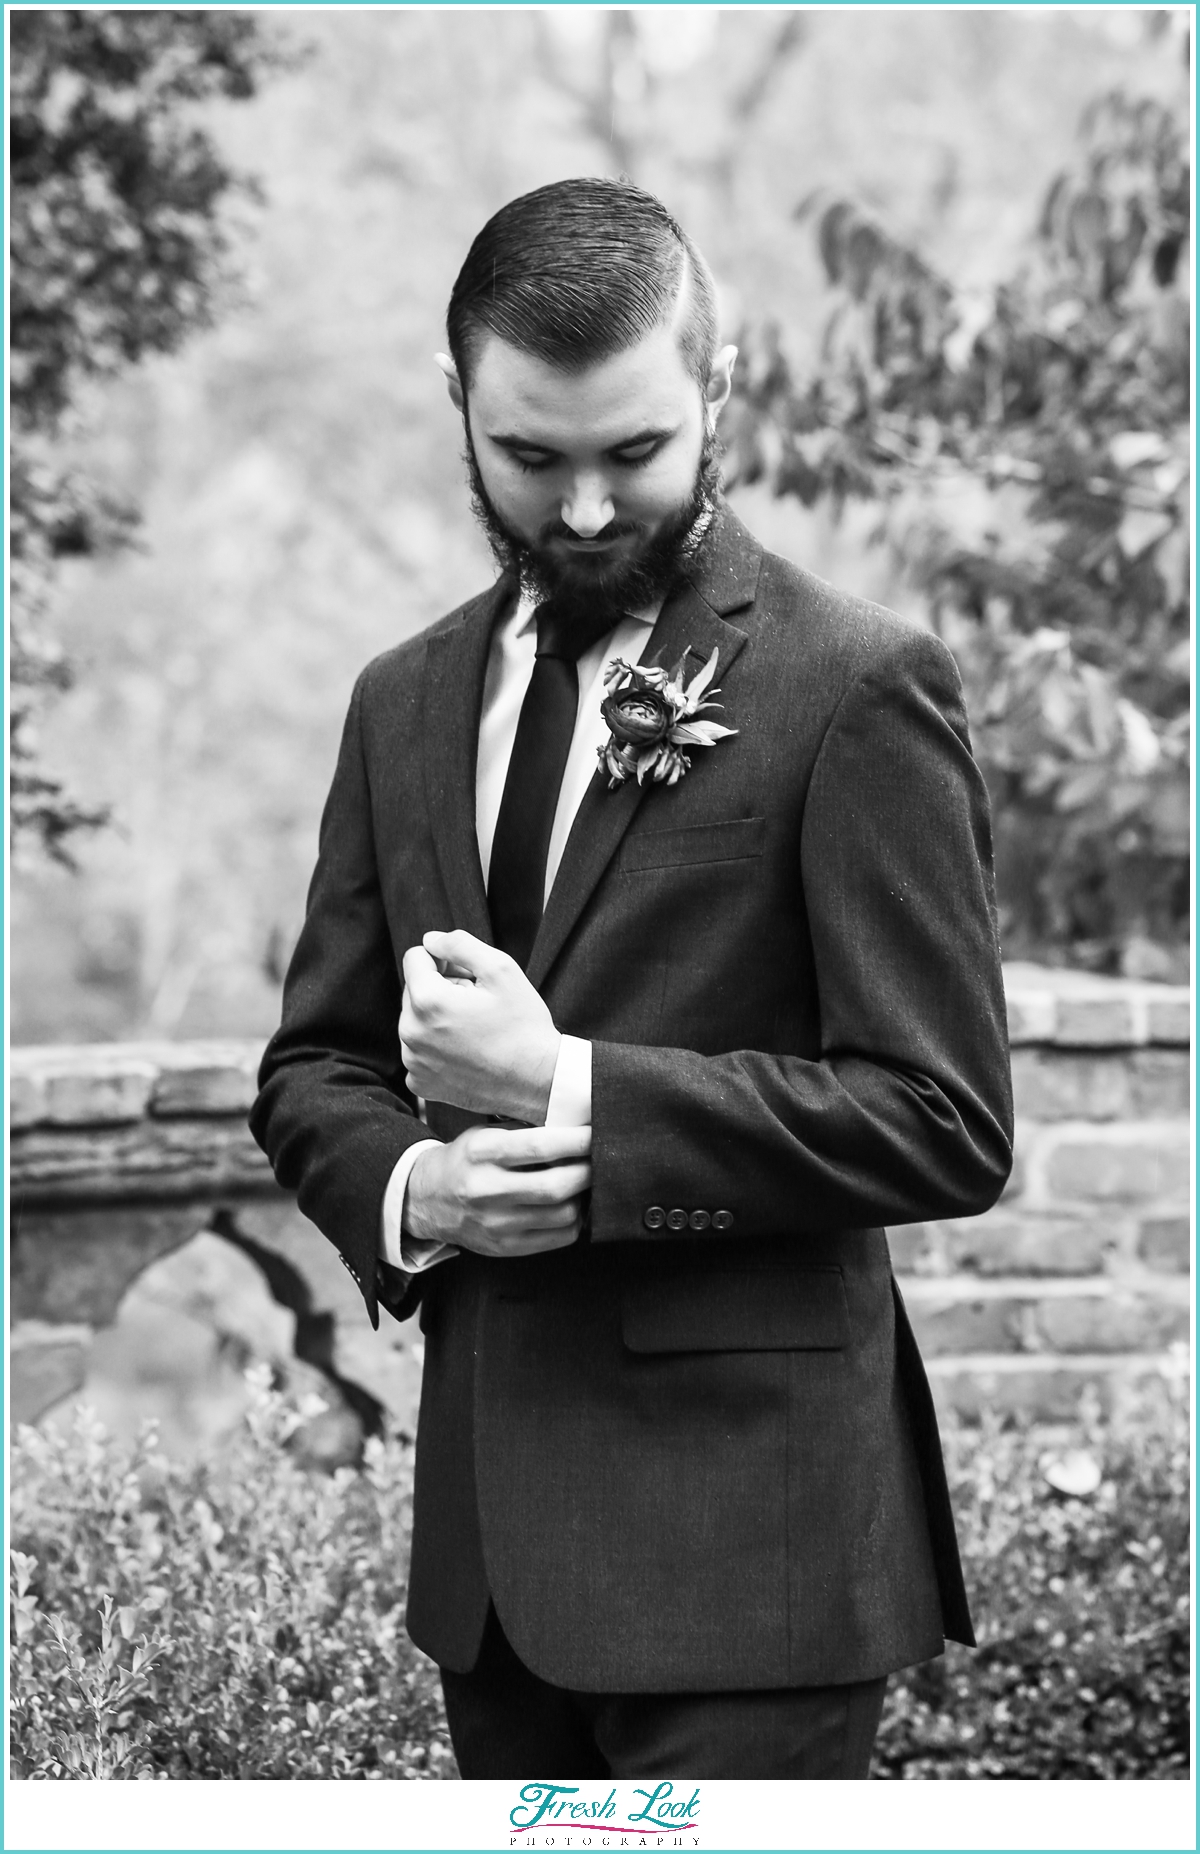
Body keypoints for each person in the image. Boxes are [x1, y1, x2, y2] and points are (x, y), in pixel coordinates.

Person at [251, 176, 1013, 1780]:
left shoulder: (856, 688)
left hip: (758, 1572)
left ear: (717, 395)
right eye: (531, 459)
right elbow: (313, 1067)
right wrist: (422, 1193)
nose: (587, 510)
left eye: (636, 453)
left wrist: (567, 1085)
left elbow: (942, 1118)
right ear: (459, 406)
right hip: (490, 1585)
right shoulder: (399, 704)